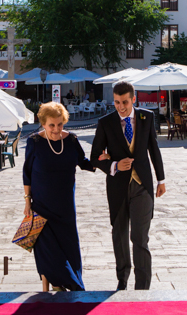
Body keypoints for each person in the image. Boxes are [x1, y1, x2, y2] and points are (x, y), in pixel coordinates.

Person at [91, 81, 166, 290]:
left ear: (133, 99)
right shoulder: (105, 122)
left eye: (124, 102)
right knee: (120, 234)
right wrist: (113, 164)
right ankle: (122, 281)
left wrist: (161, 180)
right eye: (116, 102)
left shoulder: (147, 117)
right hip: (117, 187)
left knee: (139, 237)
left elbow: (154, 149)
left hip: (143, 186)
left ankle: (142, 287)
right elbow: (94, 157)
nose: (121, 107)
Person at [23, 102, 97, 292]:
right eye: (51, 125)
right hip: (42, 206)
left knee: (69, 247)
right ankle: (59, 283)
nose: (56, 129)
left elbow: (84, 162)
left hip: (65, 207)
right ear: (43, 124)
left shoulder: (71, 140)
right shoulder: (35, 142)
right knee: (48, 250)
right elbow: (27, 173)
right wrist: (27, 201)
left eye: (60, 124)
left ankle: (68, 283)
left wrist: (101, 162)